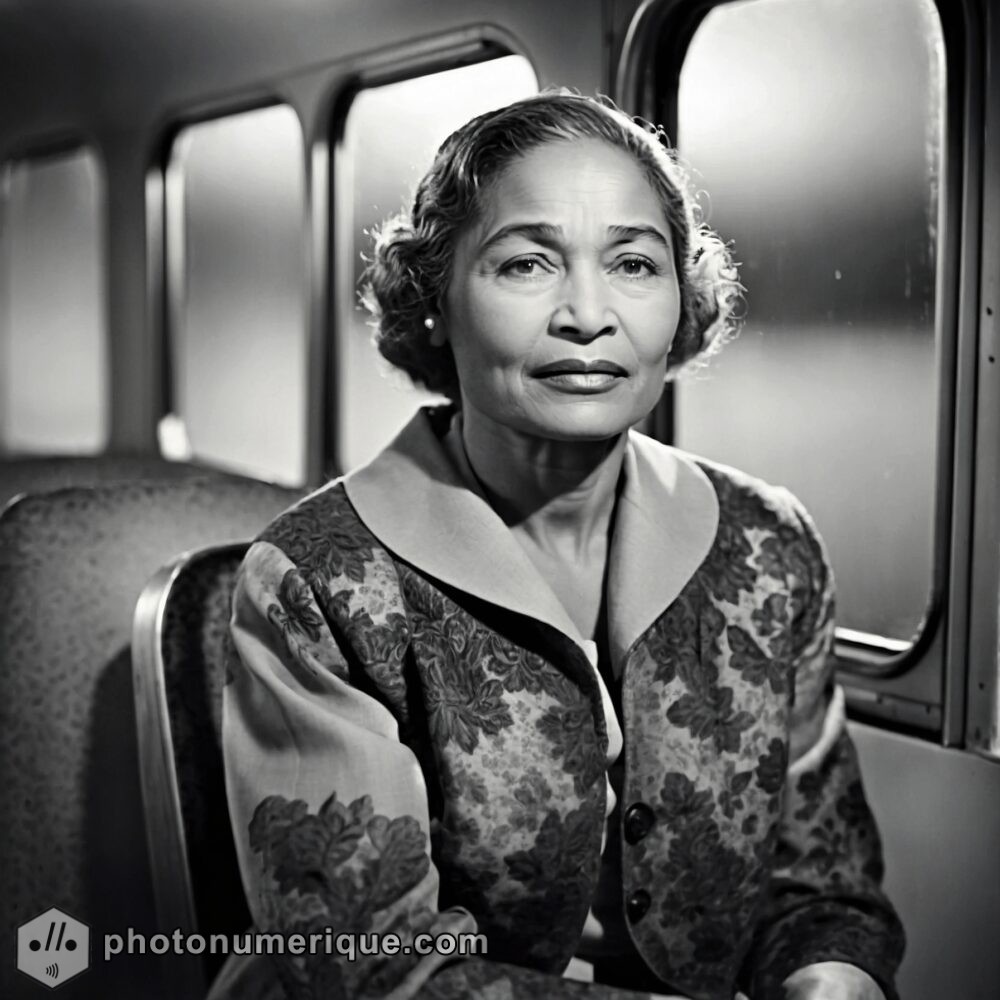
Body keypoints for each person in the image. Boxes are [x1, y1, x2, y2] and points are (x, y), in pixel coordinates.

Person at [214, 92, 904, 1000]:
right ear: (433, 303)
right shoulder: (315, 580)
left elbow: (821, 886)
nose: (588, 312)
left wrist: (830, 975)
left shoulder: (770, 547)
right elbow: (375, 973)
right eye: (528, 262)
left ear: (681, 304)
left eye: (633, 263)